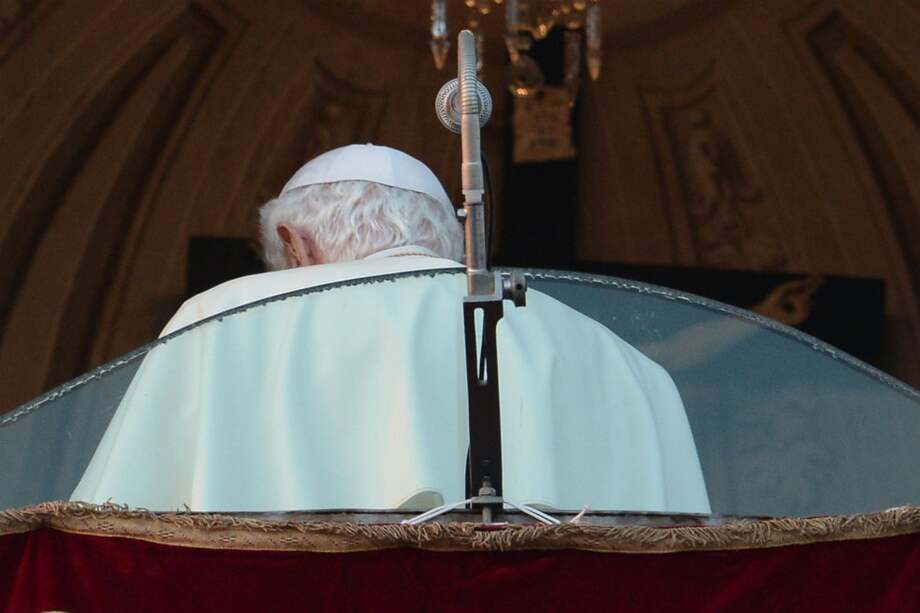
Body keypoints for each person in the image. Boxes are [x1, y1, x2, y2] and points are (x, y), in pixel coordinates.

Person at [71, 144, 711, 514]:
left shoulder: (225, 321)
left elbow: (107, 558)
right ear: (459, 240)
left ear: (296, 247)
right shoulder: (632, 370)